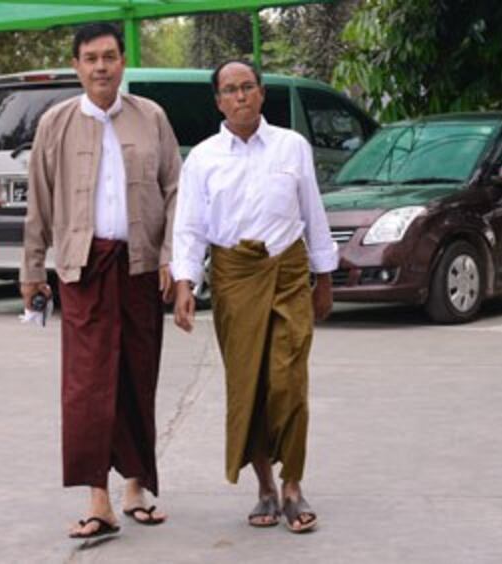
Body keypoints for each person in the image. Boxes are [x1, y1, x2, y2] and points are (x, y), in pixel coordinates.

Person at [20, 22, 181, 540]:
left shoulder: (150, 117)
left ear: (123, 62)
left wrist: (172, 259)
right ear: (76, 66)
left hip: (139, 267)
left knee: (138, 375)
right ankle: (98, 500)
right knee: (88, 387)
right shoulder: (56, 123)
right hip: (83, 269)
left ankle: (135, 487)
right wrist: (31, 270)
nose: (101, 67)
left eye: (110, 57)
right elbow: (40, 203)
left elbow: (177, 189)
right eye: (90, 58)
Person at [171, 60, 338, 534]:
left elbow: (313, 212)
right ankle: (265, 489)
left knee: (289, 382)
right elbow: (189, 226)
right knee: (249, 386)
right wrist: (185, 283)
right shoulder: (202, 158)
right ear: (219, 101)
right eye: (230, 90)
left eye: (248, 87)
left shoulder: (292, 146)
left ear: (262, 94)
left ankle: (293, 485)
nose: (240, 96)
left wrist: (323, 276)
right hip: (234, 278)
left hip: (288, 272)